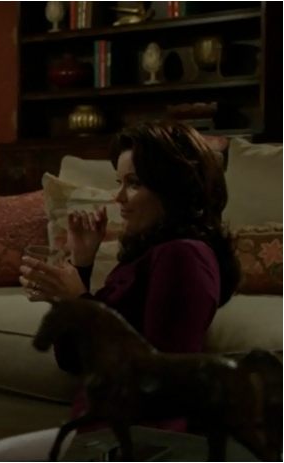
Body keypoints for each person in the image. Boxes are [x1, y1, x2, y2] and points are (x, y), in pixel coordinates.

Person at [19, 121, 240, 433]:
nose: (118, 197)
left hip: (136, 439)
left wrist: (78, 300)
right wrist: (81, 263)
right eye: (119, 182)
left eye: (134, 183)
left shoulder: (183, 256)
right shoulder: (147, 254)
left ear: (173, 187)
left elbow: (159, 375)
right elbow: (72, 360)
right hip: (96, 430)